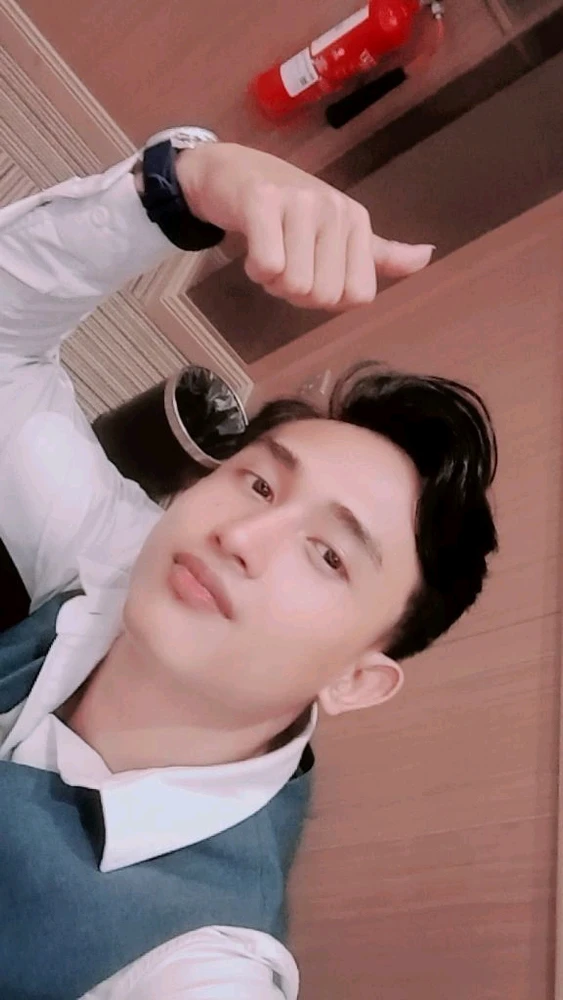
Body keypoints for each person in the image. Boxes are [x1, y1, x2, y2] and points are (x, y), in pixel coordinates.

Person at [0, 125, 498, 1000]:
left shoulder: (194, 957)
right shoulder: (120, 564)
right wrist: (186, 184)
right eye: (260, 485)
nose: (243, 536)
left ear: (355, 680)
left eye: (327, 556)